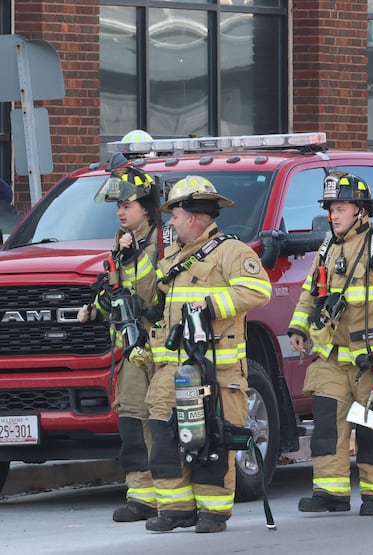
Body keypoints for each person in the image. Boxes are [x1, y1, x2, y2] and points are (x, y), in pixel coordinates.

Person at [288, 170, 373, 517]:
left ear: (360, 210)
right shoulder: (328, 248)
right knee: (328, 426)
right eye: (331, 208)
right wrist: (298, 328)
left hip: (372, 360)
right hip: (331, 356)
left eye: (340, 208)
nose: (333, 215)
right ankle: (331, 493)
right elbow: (309, 294)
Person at [145, 175, 272, 534]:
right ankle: (175, 509)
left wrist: (212, 304)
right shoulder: (173, 257)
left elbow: (259, 289)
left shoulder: (231, 252)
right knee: (165, 435)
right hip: (172, 370)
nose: (170, 222)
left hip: (219, 369)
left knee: (213, 439)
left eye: (175, 214)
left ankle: (214, 512)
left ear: (194, 217)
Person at [78, 168, 161, 522]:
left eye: (127, 205)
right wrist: (92, 309)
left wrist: (131, 254)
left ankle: (168, 492)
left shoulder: (161, 243)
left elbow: (148, 288)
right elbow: (114, 291)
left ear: (146, 207)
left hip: (161, 347)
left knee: (160, 419)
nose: (121, 212)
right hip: (131, 351)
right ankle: (140, 494)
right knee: (130, 417)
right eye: (118, 206)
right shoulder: (121, 243)